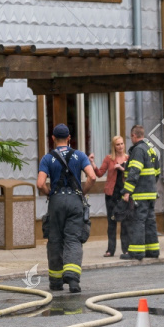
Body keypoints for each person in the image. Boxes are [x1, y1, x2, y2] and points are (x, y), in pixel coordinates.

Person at [37, 123, 95, 293]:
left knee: (55, 240)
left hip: (56, 201)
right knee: (73, 239)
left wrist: (49, 193)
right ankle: (73, 278)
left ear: (53, 138)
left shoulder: (47, 158)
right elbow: (92, 176)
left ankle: (55, 282)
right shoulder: (80, 155)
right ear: (69, 138)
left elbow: (40, 183)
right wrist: (82, 192)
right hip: (75, 201)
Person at [120, 124, 160, 261]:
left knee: (138, 221)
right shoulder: (151, 150)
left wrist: (127, 192)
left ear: (133, 136)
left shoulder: (138, 150)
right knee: (150, 221)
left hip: (140, 194)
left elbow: (134, 172)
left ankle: (136, 252)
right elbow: (157, 172)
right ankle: (153, 250)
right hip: (151, 193)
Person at [89, 135, 129, 258]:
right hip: (111, 194)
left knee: (125, 223)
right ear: (114, 146)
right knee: (111, 222)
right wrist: (92, 163)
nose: (120, 147)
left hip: (124, 194)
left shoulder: (129, 158)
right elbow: (100, 173)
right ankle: (110, 250)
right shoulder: (109, 158)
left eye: (122, 144)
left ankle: (126, 249)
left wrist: (121, 168)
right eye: (118, 144)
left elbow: (131, 175)